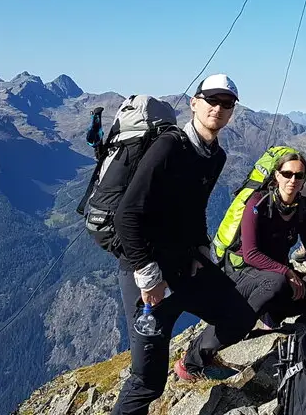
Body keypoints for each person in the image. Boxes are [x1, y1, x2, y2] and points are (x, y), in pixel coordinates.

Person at [111, 74, 257, 415]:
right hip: (147, 273)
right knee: (147, 381)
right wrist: (148, 276)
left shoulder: (215, 156)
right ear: (194, 103)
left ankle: (194, 362)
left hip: (184, 266)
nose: (218, 109)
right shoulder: (168, 146)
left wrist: (201, 251)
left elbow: (195, 209)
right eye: (211, 100)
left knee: (238, 315)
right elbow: (126, 215)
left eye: (226, 103)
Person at [185, 151, 306, 371]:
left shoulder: (304, 207)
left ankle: (270, 316)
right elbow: (250, 253)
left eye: (299, 176)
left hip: (275, 275)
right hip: (243, 270)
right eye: (286, 174)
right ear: (276, 176)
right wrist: (287, 272)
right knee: (274, 284)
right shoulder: (257, 203)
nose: (292, 180)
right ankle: (195, 358)